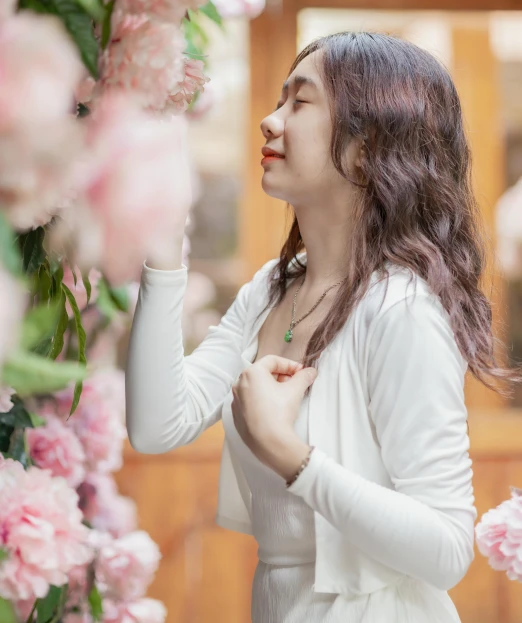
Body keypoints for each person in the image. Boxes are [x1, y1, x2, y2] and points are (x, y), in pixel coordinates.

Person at [125, 31, 518, 622]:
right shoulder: (270, 288)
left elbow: (446, 548)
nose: (269, 119)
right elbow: (157, 425)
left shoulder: (401, 308)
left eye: (298, 102)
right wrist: (161, 252)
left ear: (367, 147)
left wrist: (292, 456)